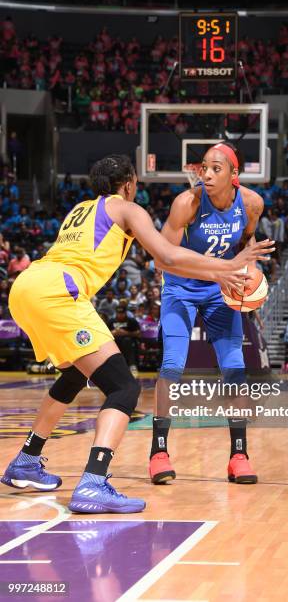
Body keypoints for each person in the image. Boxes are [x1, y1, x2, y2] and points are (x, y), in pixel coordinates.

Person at [1, 154, 273, 513]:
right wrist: (226, 268)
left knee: (71, 376)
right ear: (129, 184)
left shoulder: (81, 208)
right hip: (57, 291)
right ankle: (94, 482)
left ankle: (26, 460)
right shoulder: (128, 209)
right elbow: (166, 255)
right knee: (124, 388)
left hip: (25, 288)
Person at [149, 142, 269, 486]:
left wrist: (247, 273)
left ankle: (239, 456)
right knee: (172, 364)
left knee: (235, 368)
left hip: (221, 290)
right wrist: (219, 270)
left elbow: (246, 243)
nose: (208, 174)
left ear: (235, 175)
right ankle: (159, 453)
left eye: (217, 169)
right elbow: (161, 258)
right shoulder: (187, 203)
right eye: (204, 167)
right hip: (180, 289)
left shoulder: (251, 203)